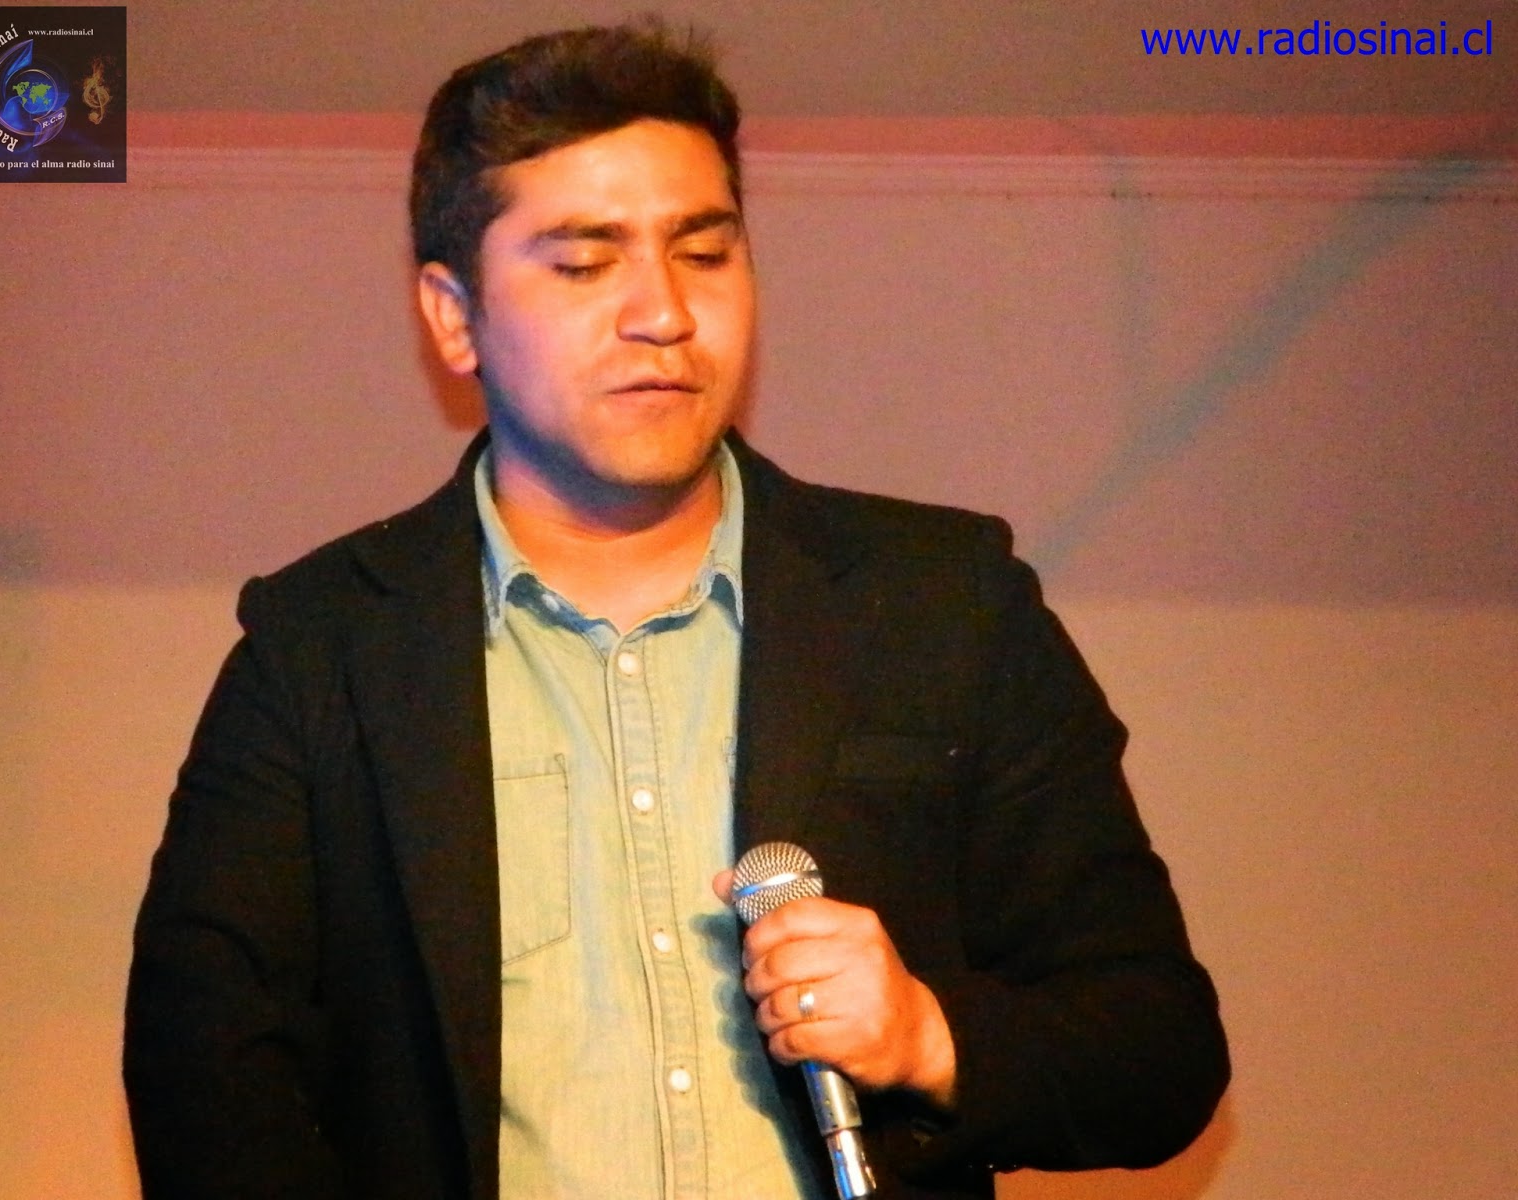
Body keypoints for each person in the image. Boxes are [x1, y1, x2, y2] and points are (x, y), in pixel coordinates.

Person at [124, 20, 1229, 1200]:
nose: (664, 312)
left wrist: (928, 1036)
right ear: (453, 316)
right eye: (583, 264)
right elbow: (204, 1082)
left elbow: (1157, 1048)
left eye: (703, 253)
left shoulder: (945, 604)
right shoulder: (320, 648)